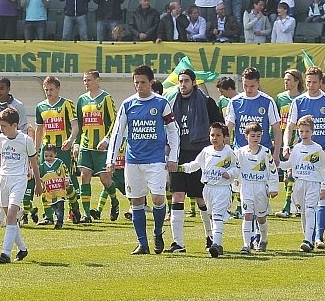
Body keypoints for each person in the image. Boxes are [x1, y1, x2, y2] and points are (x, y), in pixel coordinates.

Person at [107, 65, 179, 255]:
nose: (139, 86)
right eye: (136, 83)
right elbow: (117, 133)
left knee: (157, 198)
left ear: (151, 82)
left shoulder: (161, 103)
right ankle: (142, 244)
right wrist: (111, 159)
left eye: (143, 82)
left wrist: (172, 157)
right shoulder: (128, 104)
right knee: (136, 202)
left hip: (156, 159)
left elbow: (173, 130)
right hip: (133, 160)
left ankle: (157, 233)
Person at [282, 66, 325, 248]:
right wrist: (286, 145)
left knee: (321, 196)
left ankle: (317, 237)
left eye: (315, 82)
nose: (311, 85)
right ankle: (309, 235)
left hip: (321, 155)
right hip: (301, 156)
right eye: (308, 82)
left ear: (321, 82)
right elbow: (290, 127)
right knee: (303, 205)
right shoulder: (298, 102)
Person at [167, 69, 224, 253]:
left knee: (201, 198)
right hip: (178, 154)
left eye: (186, 81)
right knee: (177, 195)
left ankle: (210, 236)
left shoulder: (206, 103)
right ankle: (178, 243)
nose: (182, 85)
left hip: (200, 155)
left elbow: (220, 126)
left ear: (194, 83)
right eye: (180, 81)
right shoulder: (171, 103)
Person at [0, 108, 42, 264]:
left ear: (14, 125)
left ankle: (5, 253)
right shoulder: (1, 139)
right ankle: (22, 248)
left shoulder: (26, 140)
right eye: (0, 126)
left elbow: (34, 163)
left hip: (19, 180)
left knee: (10, 216)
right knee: (10, 217)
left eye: (4, 126)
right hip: (4, 180)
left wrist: (38, 182)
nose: (1, 129)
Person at [174, 121, 236, 258]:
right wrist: (179, 168)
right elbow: (195, 165)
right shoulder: (206, 151)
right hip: (207, 188)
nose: (214, 137)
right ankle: (215, 241)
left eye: (218, 135)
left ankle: (216, 244)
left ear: (224, 137)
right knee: (212, 216)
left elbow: (237, 168)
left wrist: (230, 174)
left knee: (218, 217)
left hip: (222, 189)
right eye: (212, 135)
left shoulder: (229, 153)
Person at [279, 115, 325, 252]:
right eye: (301, 131)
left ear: (312, 131)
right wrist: (276, 163)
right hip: (299, 183)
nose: (304, 134)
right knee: (304, 212)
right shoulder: (297, 148)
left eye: (307, 131)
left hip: (313, 183)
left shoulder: (317, 149)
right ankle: (309, 238)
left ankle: (307, 240)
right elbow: (289, 164)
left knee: (310, 209)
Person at [35, 76, 82, 224]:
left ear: (58, 89)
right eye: (46, 90)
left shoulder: (67, 104)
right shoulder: (40, 106)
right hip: (47, 149)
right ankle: (48, 216)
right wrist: (35, 151)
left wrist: (70, 140)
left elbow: (75, 126)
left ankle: (74, 209)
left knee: (65, 181)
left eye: (51, 90)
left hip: (62, 148)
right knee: (46, 181)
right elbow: (39, 129)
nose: (48, 92)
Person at [75, 70, 119, 222]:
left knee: (105, 179)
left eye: (89, 80)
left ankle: (115, 201)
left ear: (97, 80)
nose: (86, 83)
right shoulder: (81, 100)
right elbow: (79, 124)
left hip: (102, 147)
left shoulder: (106, 98)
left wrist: (107, 139)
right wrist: (76, 143)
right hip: (86, 145)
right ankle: (86, 215)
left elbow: (115, 121)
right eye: (84, 80)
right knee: (84, 175)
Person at [0, 77, 28, 222]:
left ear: (8, 89)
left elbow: (22, 127)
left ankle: (2, 217)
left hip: (12, 150)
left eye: (1, 88)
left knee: (9, 181)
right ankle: (15, 212)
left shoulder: (17, 105)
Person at [234, 122, 278, 253]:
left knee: (261, 217)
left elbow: (272, 170)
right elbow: (235, 169)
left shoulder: (265, 152)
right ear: (246, 136)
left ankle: (263, 239)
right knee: (247, 215)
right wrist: (235, 186)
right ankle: (246, 244)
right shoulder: (240, 152)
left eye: (258, 135)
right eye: (252, 135)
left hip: (260, 188)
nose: (255, 138)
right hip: (246, 187)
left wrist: (273, 187)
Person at [275, 68, 304, 218]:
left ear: (297, 81)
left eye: (289, 79)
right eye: (285, 79)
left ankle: (290, 206)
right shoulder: (280, 98)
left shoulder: (302, 99)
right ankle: (292, 206)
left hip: (298, 140)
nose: (285, 82)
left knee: (293, 174)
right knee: (287, 174)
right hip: (284, 139)